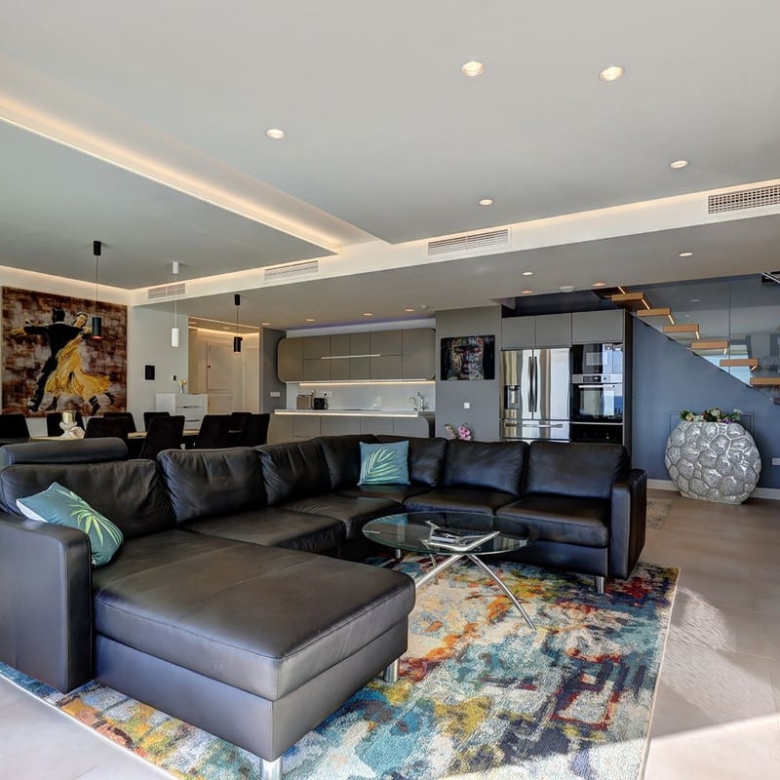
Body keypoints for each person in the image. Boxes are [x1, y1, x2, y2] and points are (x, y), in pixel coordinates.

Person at [10, 309, 113, 415]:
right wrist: (95, 325)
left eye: (83, 319)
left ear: (54, 317)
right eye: (81, 318)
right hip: (67, 361)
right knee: (74, 383)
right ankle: (97, 398)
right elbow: (90, 333)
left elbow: (32, 329)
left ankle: (37, 403)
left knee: (46, 382)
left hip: (60, 361)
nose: (82, 320)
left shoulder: (50, 328)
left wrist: (26, 327)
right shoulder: (72, 329)